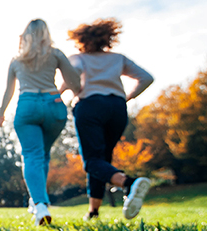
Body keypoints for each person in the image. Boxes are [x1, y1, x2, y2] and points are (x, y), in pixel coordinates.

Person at [64, 18, 154, 220]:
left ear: (82, 40)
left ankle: (129, 183)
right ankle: (93, 211)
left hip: (90, 106)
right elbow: (147, 78)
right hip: (117, 109)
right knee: (102, 160)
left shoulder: (79, 58)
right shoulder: (118, 58)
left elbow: (74, 72)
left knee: (92, 161)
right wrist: (128, 96)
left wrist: (62, 91)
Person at [0, 18, 81, 226]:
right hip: (54, 105)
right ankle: (38, 201)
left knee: (32, 155)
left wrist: (0, 114)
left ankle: (40, 204)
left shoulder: (16, 60)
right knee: (42, 155)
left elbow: (9, 91)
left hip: (28, 105)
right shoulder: (56, 54)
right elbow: (75, 83)